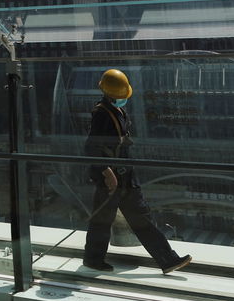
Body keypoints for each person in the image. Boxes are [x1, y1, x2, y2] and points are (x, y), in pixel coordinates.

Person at [82, 68, 192, 274]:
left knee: (140, 218)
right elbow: (91, 147)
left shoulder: (118, 111)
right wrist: (106, 171)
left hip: (125, 176)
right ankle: (92, 259)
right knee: (103, 220)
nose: (122, 99)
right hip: (112, 179)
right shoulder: (101, 114)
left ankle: (167, 260)